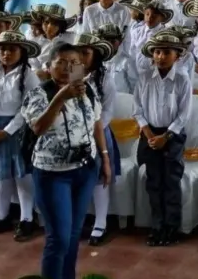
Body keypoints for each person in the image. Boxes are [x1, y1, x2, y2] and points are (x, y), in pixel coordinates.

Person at [21, 41, 111, 279]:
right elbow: (38, 127)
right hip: (53, 173)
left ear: (82, 68)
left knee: (72, 236)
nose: (67, 68)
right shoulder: (38, 94)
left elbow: (97, 124)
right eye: (61, 63)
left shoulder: (88, 90)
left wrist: (105, 158)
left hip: (85, 170)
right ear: (49, 67)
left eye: (74, 64)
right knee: (58, 238)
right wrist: (61, 96)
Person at [133, 33, 192, 247]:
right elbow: (137, 110)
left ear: (177, 56)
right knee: (154, 182)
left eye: (167, 52)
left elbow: (184, 115)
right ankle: (157, 226)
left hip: (172, 136)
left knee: (171, 181)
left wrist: (165, 137)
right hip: (149, 135)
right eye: (157, 52)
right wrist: (149, 135)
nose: (161, 56)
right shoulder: (144, 78)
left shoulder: (182, 79)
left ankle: (171, 227)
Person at [0, 31, 41, 240]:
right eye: (2, 49)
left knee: (22, 175)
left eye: (12, 49)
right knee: (2, 175)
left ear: (22, 51)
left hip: (17, 129)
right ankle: (1, 216)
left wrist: (7, 131)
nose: (6, 53)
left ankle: (27, 218)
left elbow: (29, 108)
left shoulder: (28, 75)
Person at [71, 33, 120, 246]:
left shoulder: (106, 76)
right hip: (75, 133)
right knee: (77, 177)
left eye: (86, 53)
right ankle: (81, 219)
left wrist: (94, 128)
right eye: (78, 52)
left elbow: (109, 109)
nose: (81, 57)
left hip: (99, 133)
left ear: (96, 55)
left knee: (101, 178)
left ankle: (101, 222)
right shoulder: (74, 73)